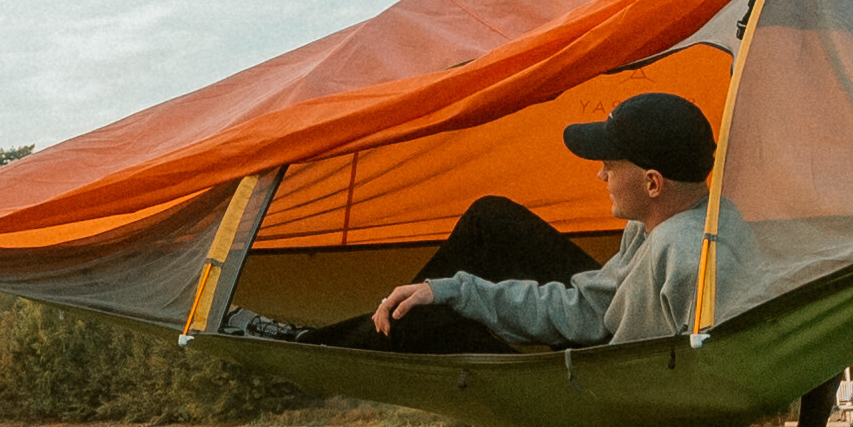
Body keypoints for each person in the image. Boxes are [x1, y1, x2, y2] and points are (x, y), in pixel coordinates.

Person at [284, 92, 712, 355]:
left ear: (653, 183)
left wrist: (456, 296)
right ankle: (334, 336)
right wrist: (451, 288)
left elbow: (623, 351)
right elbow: (592, 310)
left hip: (596, 379)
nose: (600, 176)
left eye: (607, 165)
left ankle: (311, 347)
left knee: (416, 318)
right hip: (602, 329)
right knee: (491, 219)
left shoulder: (684, 254)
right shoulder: (653, 223)